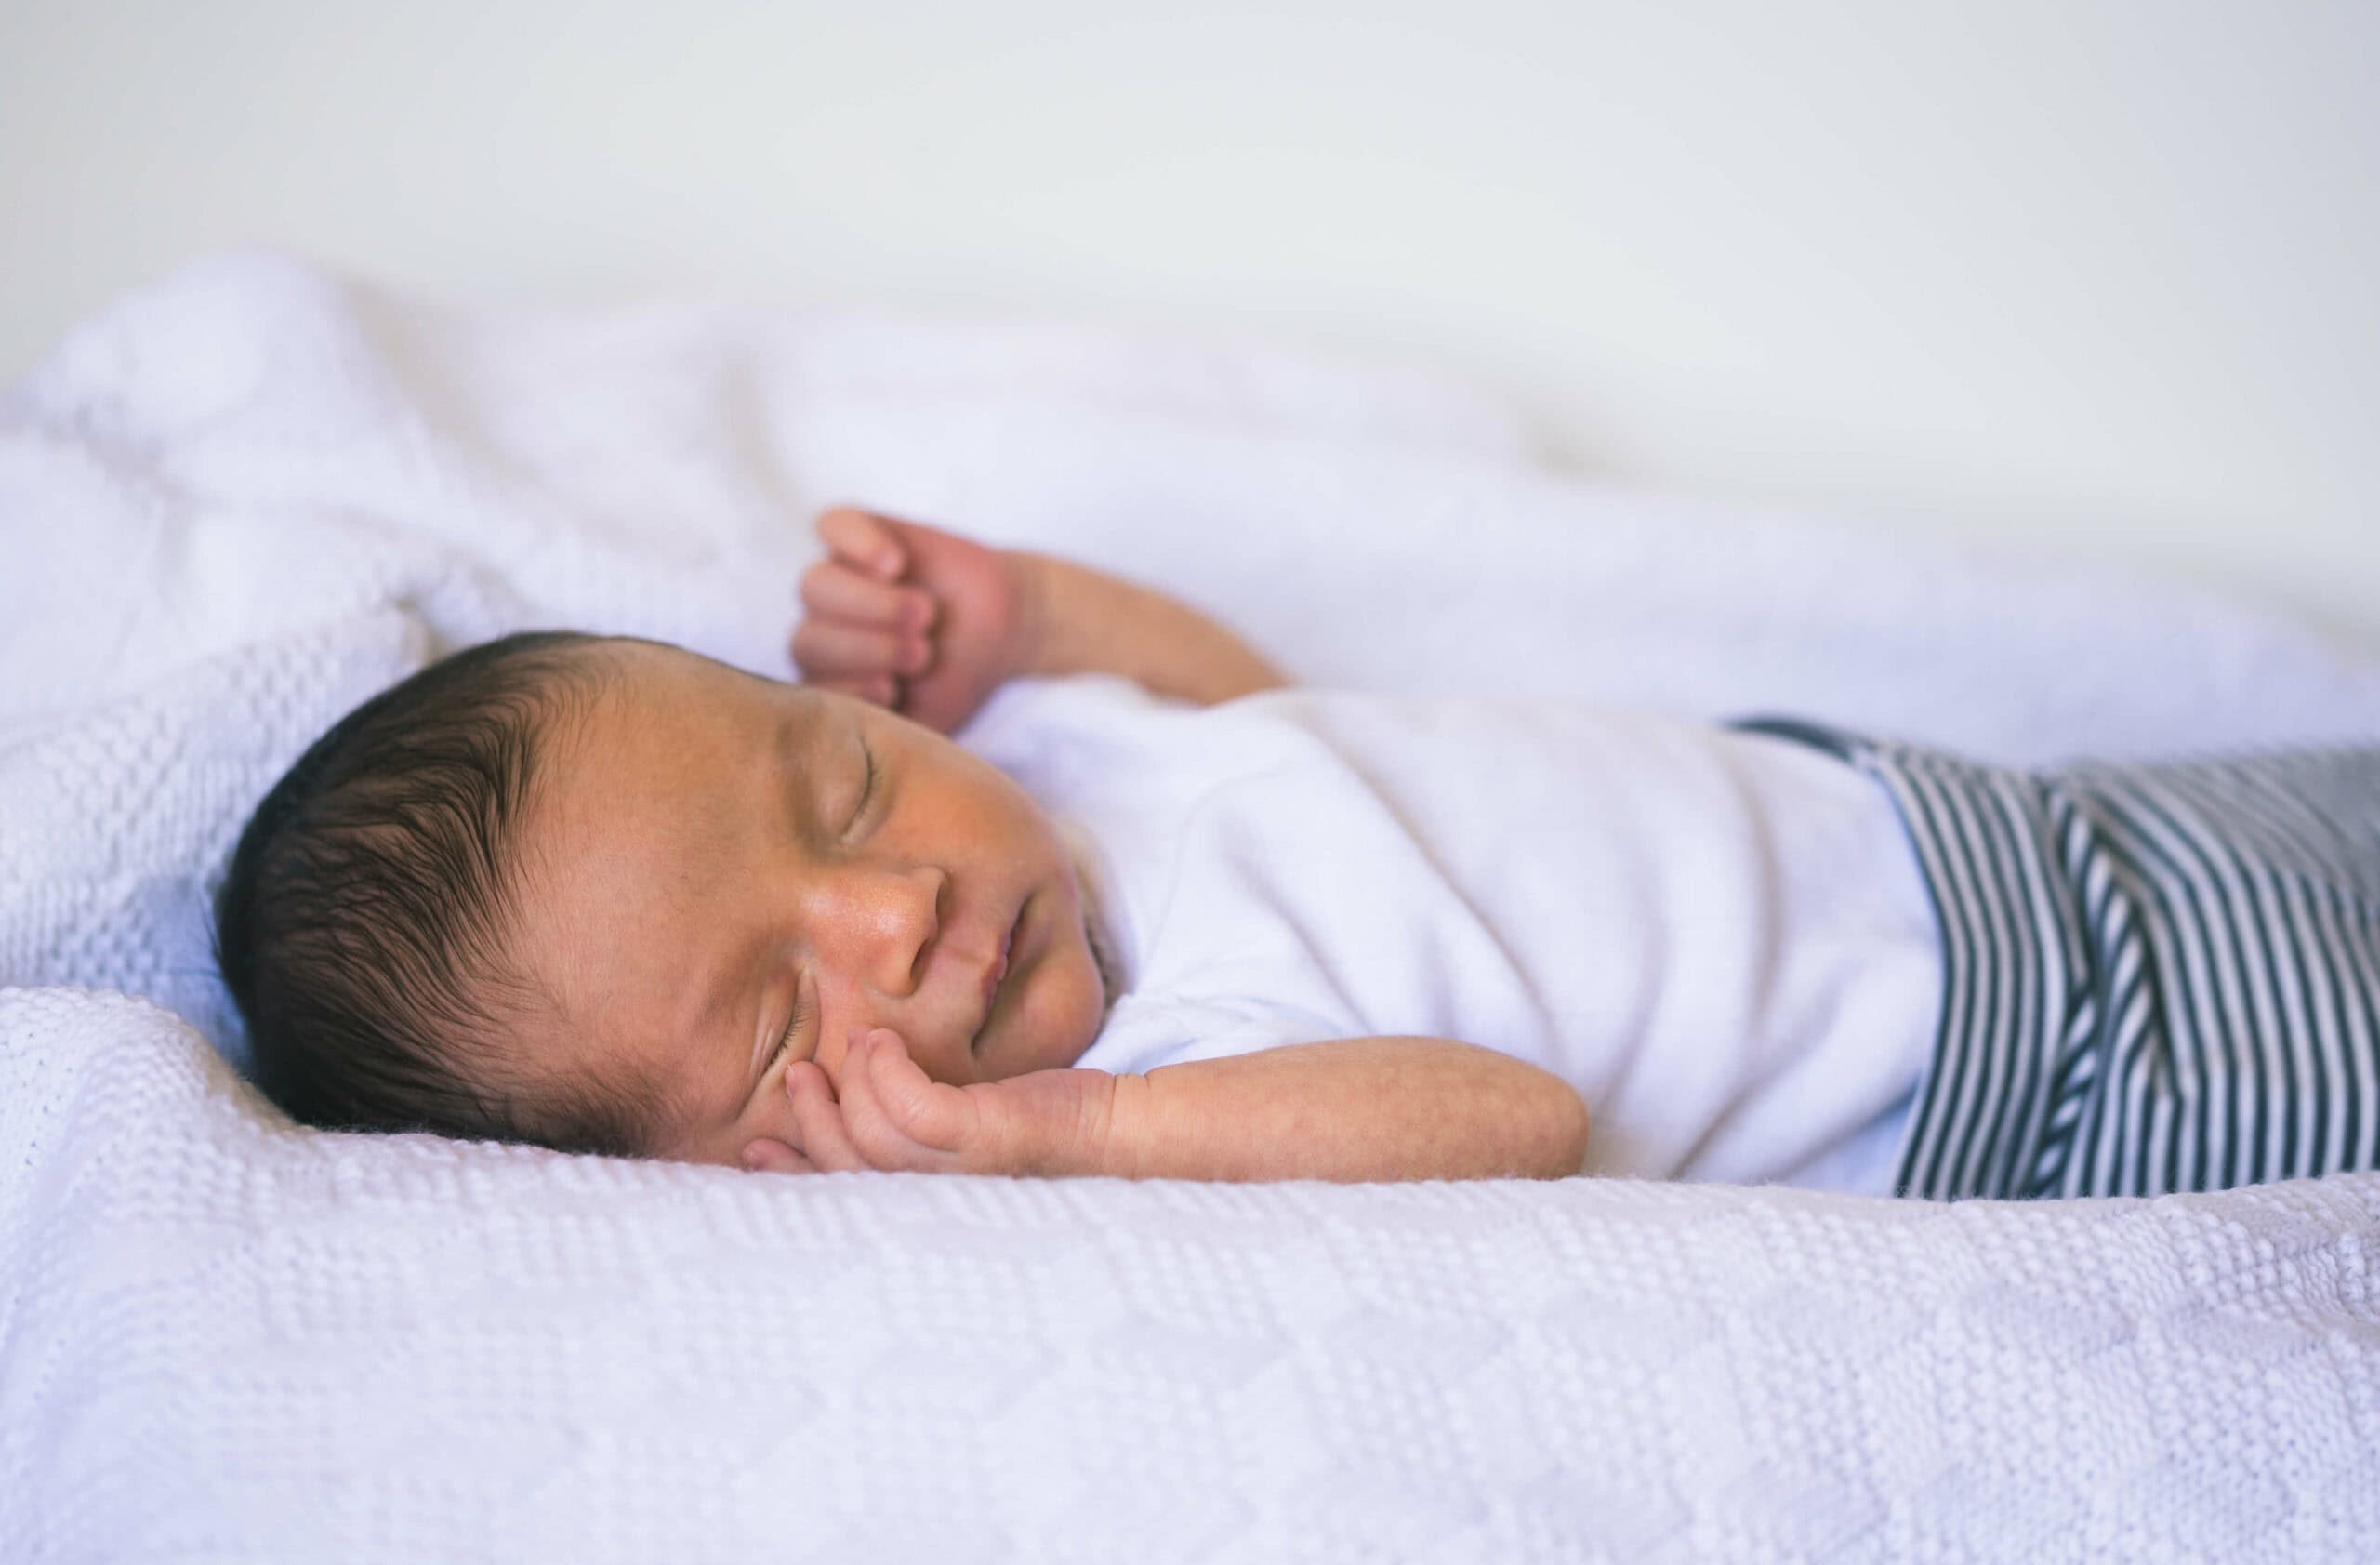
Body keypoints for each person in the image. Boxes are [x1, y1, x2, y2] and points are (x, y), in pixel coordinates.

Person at [213, 509, 2380, 1197]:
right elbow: (1513, 1112)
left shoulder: (1053, 768)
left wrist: (1042, 623)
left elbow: (1275, 719)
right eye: (785, 1008)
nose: (899, 905)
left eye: (842, 782)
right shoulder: (1174, 1071)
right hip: (2035, 1047)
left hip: (1953, 809)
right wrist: (1080, 1133)